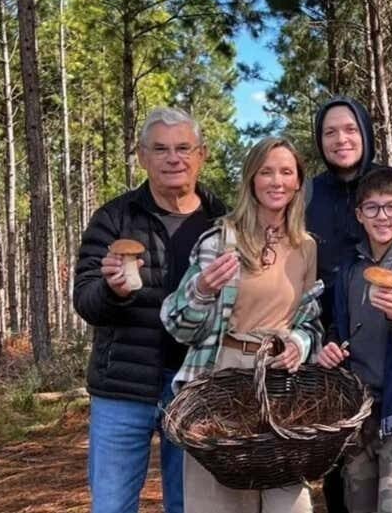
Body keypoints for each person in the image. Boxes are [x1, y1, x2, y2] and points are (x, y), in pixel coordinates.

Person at [73, 107, 227, 513]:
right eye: (160, 149)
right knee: (112, 504)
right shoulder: (114, 218)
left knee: (190, 505)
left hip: (195, 388)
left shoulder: (224, 223)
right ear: (142, 157)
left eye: (182, 148)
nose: (173, 158)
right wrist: (112, 291)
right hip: (123, 388)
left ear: (201, 154)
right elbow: (85, 300)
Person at [161, 137, 323, 513]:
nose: (276, 181)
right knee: (220, 500)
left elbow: (311, 322)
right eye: (266, 172)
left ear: (299, 181)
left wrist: (300, 342)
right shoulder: (220, 239)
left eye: (286, 172)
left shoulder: (307, 246)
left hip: (281, 386)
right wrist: (201, 289)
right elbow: (177, 324)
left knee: (289, 501)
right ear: (251, 180)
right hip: (222, 380)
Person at [307, 95, 392, 512]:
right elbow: (338, 325)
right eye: (330, 131)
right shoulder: (345, 268)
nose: (381, 216)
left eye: (391, 208)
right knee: (351, 499)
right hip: (351, 401)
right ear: (359, 214)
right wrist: (327, 343)